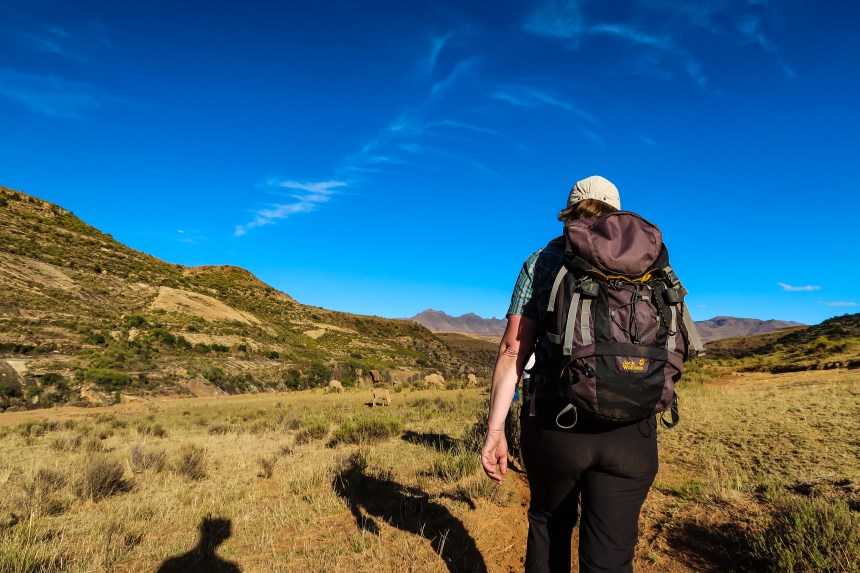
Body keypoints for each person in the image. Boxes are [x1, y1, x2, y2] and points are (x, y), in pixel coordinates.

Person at [481, 176, 662, 573]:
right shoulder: (649, 262)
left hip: (556, 424)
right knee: (611, 557)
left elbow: (514, 349)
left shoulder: (542, 261)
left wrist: (495, 431)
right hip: (633, 428)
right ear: (618, 212)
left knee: (550, 524)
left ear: (569, 210)